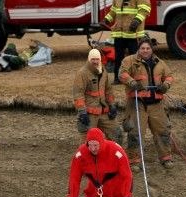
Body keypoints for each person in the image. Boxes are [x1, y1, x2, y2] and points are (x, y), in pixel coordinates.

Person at [119, 37, 174, 172]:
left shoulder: (160, 63)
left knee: (163, 132)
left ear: (151, 49)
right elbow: (122, 74)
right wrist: (132, 83)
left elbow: (169, 76)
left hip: (157, 105)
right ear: (139, 48)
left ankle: (166, 157)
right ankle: (134, 161)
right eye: (143, 48)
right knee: (135, 133)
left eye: (148, 48)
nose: (145, 50)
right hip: (137, 104)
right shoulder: (129, 61)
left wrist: (165, 85)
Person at [72, 48, 121, 144]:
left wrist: (112, 105)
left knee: (117, 134)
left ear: (100, 59)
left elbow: (108, 90)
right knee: (88, 141)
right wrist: (82, 112)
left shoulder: (103, 71)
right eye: (93, 59)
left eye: (97, 59)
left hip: (104, 111)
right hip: (89, 113)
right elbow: (78, 94)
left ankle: (111, 155)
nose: (95, 61)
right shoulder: (82, 73)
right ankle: (86, 158)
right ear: (89, 59)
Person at [102, 0, 151, 84]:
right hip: (119, 33)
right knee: (118, 58)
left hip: (133, 33)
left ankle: (136, 78)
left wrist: (137, 20)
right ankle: (118, 78)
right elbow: (114, 10)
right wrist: (107, 19)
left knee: (135, 58)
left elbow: (144, 9)